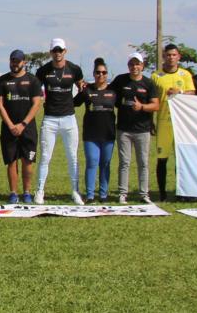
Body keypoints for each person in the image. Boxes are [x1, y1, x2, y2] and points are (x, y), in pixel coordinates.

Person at [33, 38, 84, 205]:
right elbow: (35, 90)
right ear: (50, 52)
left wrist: (75, 101)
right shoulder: (43, 71)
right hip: (50, 120)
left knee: (72, 157)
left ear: (65, 51)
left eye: (60, 50)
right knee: (45, 157)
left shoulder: (75, 69)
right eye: (55, 51)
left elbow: (82, 87)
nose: (57, 53)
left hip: (69, 119)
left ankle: (75, 192)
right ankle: (40, 191)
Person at [0, 49, 42, 204]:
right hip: (9, 128)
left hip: (27, 128)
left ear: (24, 63)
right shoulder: (2, 80)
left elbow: (36, 104)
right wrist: (10, 125)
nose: (14, 63)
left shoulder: (33, 80)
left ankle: (27, 192)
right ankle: (13, 193)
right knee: (11, 161)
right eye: (12, 60)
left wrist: (23, 124)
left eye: (18, 61)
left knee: (27, 161)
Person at [110, 53, 158, 204]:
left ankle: (144, 194)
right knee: (124, 162)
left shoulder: (149, 83)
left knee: (143, 162)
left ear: (142, 66)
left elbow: (155, 105)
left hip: (143, 130)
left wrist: (142, 106)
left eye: (137, 64)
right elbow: (108, 93)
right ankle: (122, 194)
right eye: (131, 64)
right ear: (128, 65)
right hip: (124, 129)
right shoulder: (120, 80)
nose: (134, 67)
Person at [150, 43, 194, 200]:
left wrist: (180, 92)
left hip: (181, 123)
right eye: (168, 55)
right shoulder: (156, 76)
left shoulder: (185, 75)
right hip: (163, 121)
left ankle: (182, 192)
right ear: (164, 56)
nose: (171, 57)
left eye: (174, 55)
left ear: (179, 57)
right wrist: (151, 122)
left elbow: (192, 93)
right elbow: (151, 99)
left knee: (181, 158)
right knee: (162, 159)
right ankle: (162, 193)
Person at [75, 58, 117, 202]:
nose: (101, 75)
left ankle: (104, 194)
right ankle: (90, 195)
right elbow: (73, 103)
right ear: (93, 74)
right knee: (92, 162)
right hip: (91, 135)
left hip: (109, 134)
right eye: (98, 72)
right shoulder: (87, 90)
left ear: (107, 74)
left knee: (105, 163)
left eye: (104, 73)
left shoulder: (113, 91)